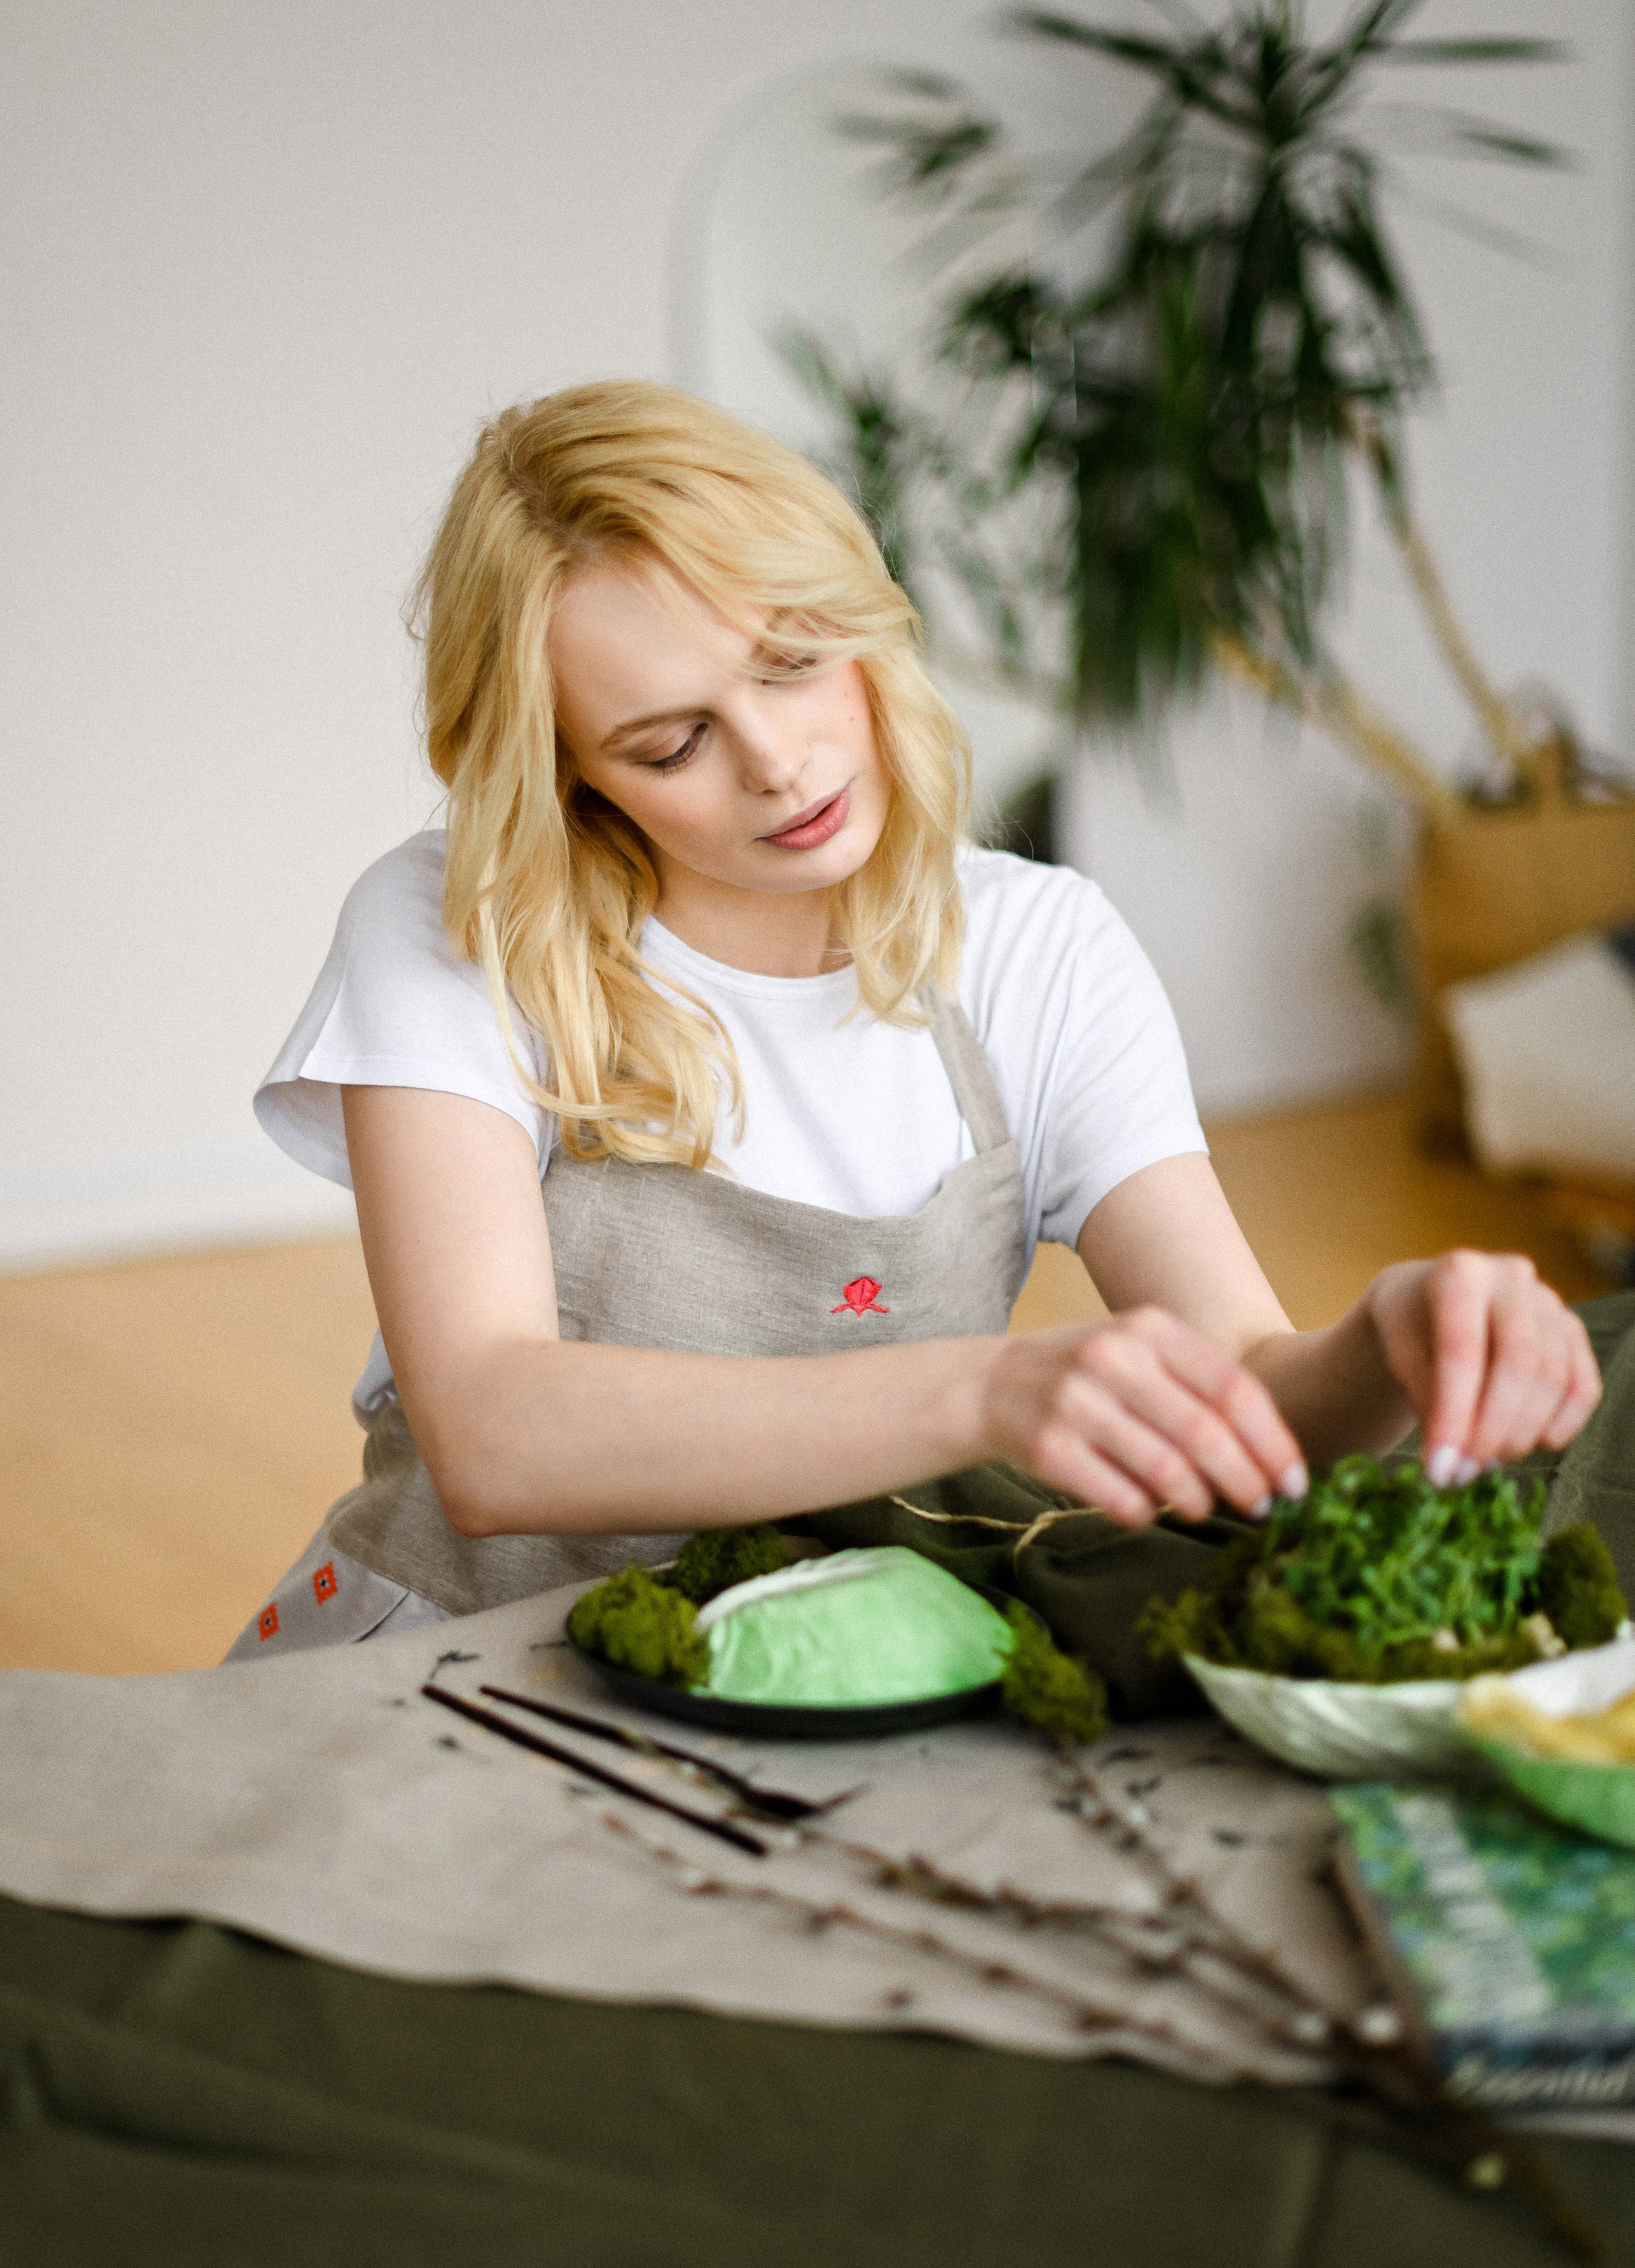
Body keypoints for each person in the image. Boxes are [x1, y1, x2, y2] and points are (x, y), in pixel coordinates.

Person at [230, 381, 1600, 1659]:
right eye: (669, 743)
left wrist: (1383, 1344)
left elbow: (1239, 1379)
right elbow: (489, 1434)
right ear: (573, 777)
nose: (777, 762)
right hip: (458, 1661)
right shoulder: (454, 926)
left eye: (792, 660)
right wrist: (984, 1398)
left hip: (835, 1669)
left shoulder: (1034, 948)